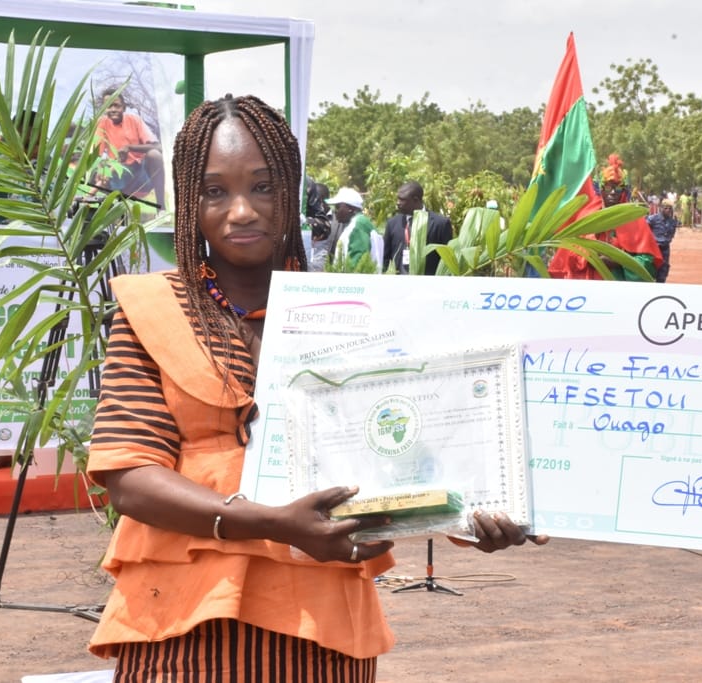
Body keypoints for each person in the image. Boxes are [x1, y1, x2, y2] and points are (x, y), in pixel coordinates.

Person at [84, 94, 549, 679]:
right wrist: (275, 523)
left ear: (291, 189)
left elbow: (419, 451)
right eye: (215, 191)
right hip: (180, 624)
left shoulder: (359, 312)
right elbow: (129, 476)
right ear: (188, 202)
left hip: (320, 627)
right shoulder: (151, 310)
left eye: (262, 187)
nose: (242, 211)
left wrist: (475, 515)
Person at [548, 154, 662, 281]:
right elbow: (570, 253)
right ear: (601, 189)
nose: (613, 192)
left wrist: (619, 261)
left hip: (618, 288)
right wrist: (588, 257)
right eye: (608, 187)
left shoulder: (633, 219)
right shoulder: (588, 215)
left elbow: (647, 261)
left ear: (624, 191)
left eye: (618, 188)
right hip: (589, 285)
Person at [95, 87, 167, 207]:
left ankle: (161, 207)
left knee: (154, 155)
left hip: (140, 172)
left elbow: (158, 147)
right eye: (108, 106)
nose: (113, 109)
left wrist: (130, 148)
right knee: (96, 173)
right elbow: (98, 155)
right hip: (119, 171)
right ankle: (107, 209)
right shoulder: (102, 123)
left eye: (116, 106)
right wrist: (102, 169)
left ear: (123, 107)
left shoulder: (134, 120)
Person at [382, 181, 453, 275]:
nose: (398, 203)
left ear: (416, 200)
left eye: (402, 200)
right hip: (399, 284)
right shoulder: (393, 223)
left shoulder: (440, 223)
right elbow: (385, 257)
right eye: (398, 199)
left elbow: (447, 259)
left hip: (429, 284)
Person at [325, 186, 380, 269]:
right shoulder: (355, 224)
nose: (335, 211)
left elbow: (357, 265)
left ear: (350, 208)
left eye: (338, 207)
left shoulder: (358, 225)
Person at [646, 198, 679, 282]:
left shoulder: (672, 221)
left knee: (663, 271)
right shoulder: (653, 219)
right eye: (666, 208)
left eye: (670, 208)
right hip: (654, 248)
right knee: (651, 269)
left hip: (665, 249)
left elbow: (672, 233)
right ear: (661, 208)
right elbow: (645, 228)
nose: (668, 210)